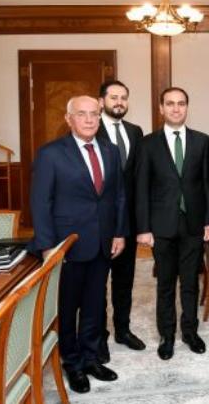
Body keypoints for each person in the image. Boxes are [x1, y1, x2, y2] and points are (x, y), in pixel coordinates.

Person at [30, 95, 126, 393]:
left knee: (95, 304)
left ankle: (91, 357)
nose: (89, 119)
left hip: (103, 242)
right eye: (81, 114)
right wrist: (48, 246)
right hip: (66, 246)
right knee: (68, 306)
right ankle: (71, 362)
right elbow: (40, 202)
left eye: (94, 114)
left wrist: (119, 233)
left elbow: (118, 195)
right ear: (68, 119)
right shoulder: (50, 154)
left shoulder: (110, 151)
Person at [135, 87, 209, 360]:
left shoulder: (201, 140)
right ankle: (167, 335)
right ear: (161, 108)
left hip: (193, 224)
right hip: (162, 226)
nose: (176, 108)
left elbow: (207, 184)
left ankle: (190, 332)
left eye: (181, 103)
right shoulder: (148, 144)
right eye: (170, 104)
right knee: (166, 284)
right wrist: (143, 228)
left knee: (191, 282)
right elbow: (141, 188)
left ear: (187, 107)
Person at [96, 80, 146, 362]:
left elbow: (138, 178)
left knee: (124, 279)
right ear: (101, 101)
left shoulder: (135, 131)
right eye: (113, 97)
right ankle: (99, 334)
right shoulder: (90, 129)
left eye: (124, 97)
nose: (119, 102)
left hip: (128, 221)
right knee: (97, 281)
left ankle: (123, 330)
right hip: (99, 221)